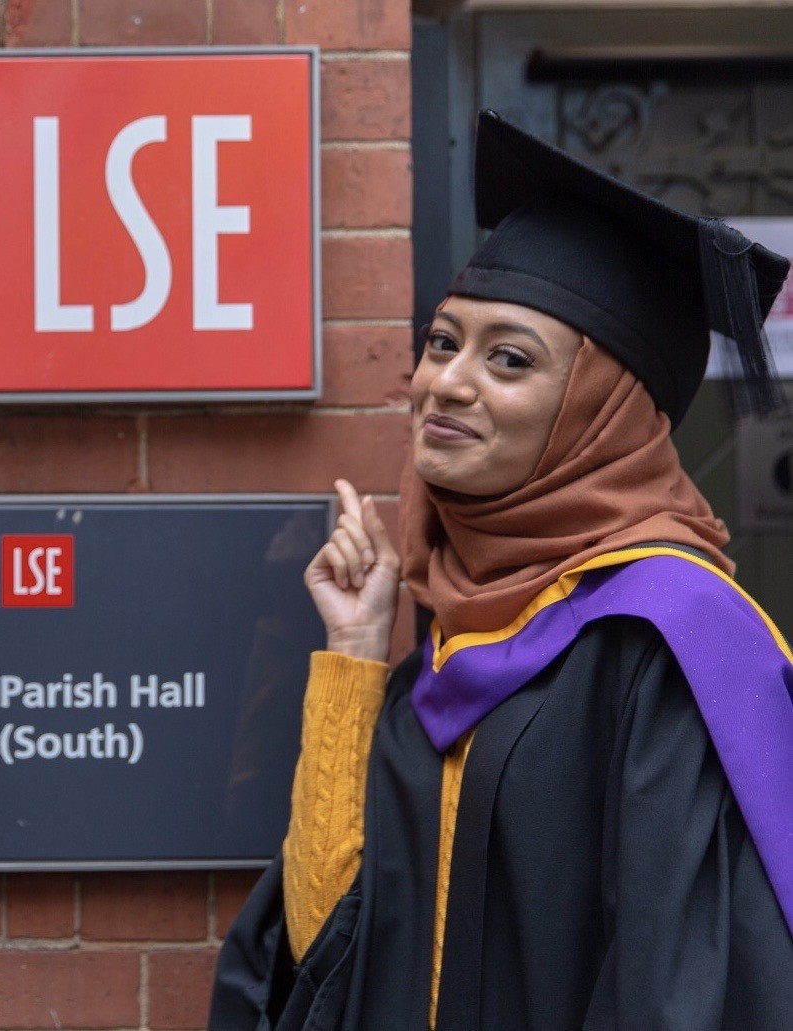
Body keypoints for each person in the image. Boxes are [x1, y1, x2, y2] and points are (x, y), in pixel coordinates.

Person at [208, 111, 793, 1029]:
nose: (446, 381)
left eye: (508, 359)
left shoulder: (676, 641)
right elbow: (330, 951)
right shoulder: (446, 647)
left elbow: (678, 993)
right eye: (442, 342)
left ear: (600, 413)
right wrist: (356, 651)